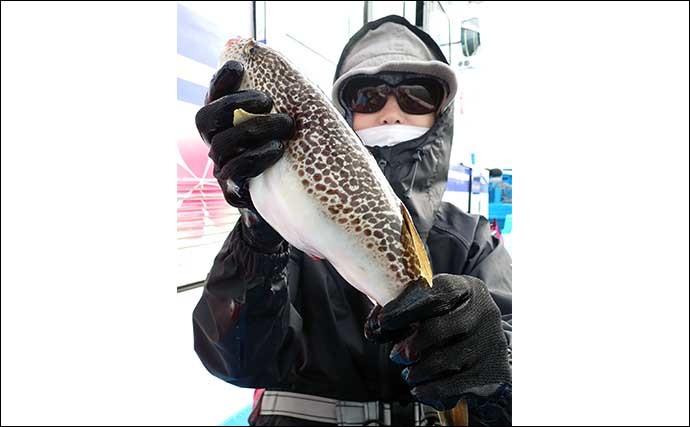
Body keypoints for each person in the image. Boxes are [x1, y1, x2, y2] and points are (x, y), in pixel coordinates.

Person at [193, 15, 512, 426]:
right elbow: (233, 360)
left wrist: (499, 359)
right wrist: (258, 231)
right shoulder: (282, 231)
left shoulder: (472, 241)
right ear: (342, 114)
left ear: (441, 115)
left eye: (417, 95)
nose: (391, 113)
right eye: (368, 96)